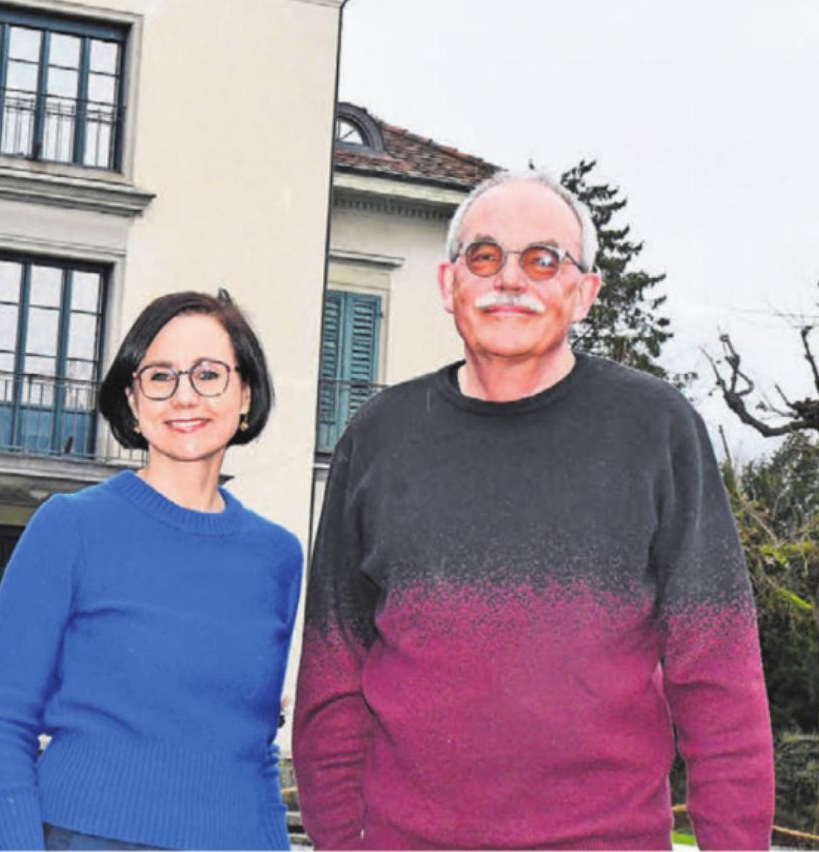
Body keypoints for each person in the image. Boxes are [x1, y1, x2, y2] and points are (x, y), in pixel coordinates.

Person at [294, 170, 774, 850]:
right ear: (447, 283)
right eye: (484, 256)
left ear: (584, 293)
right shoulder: (376, 439)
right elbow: (331, 684)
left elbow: (720, 683)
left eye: (543, 260)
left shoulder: (657, 430)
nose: (510, 279)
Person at [0, 290, 302, 851]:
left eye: (208, 374)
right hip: (89, 837)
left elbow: (255, 742)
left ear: (245, 393)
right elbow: (3, 723)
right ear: (132, 399)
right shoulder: (69, 529)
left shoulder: (277, 556)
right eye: (160, 377)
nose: (184, 396)